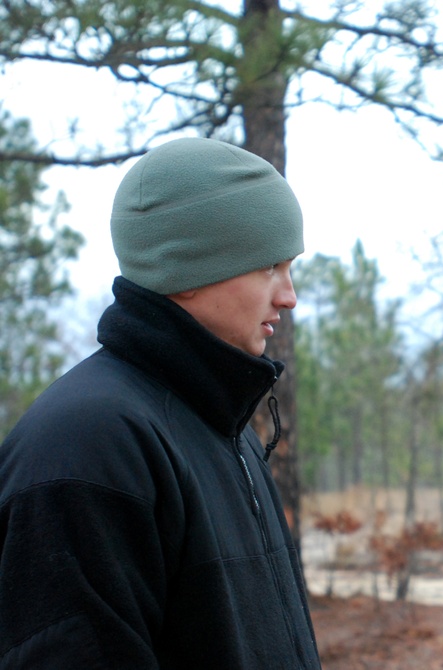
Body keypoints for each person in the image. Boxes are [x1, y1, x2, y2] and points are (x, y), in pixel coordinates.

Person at [0, 137, 322, 668]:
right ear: (189, 268)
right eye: (270, 266)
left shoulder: (222, 425)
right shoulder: (90, 444)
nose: (288, 295)